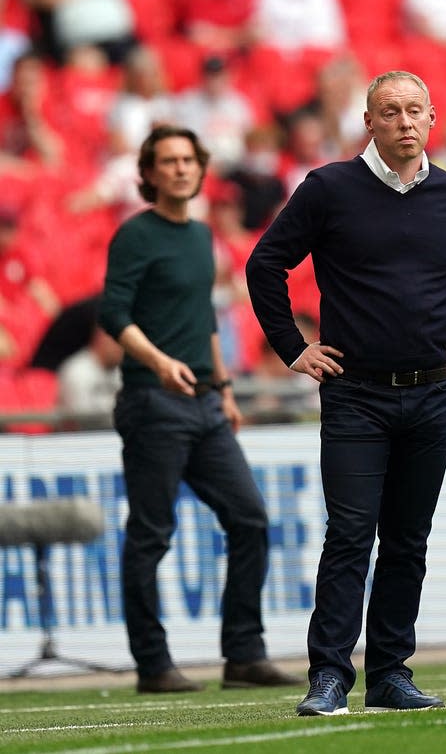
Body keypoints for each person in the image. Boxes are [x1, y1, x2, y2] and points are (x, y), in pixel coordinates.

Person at [246, 70, 446, 715]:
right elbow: (264, 263)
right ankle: (329, 676)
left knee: (409, 538)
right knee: (352, 536)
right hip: (356, 393)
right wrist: (292, 348)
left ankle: (390, 673)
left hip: (432, 392)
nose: (405, 122)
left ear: (433, 117)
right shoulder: (330, 189)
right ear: (369, 121)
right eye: (390, 112)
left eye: (415, 110)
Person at [98, 125, 302, 694]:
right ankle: (153, 663)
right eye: (168, 161)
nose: (181, 169)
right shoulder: (135, 235)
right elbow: (113, 314)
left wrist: (225, 388)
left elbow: (204, 318)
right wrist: (159, 362)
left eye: (189, 159)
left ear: (201, 167)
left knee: (250, 520)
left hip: (205, 404)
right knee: (152, 534)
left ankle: (243, 654)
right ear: (149, 173)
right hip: (153, 401)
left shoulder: (201, 235)